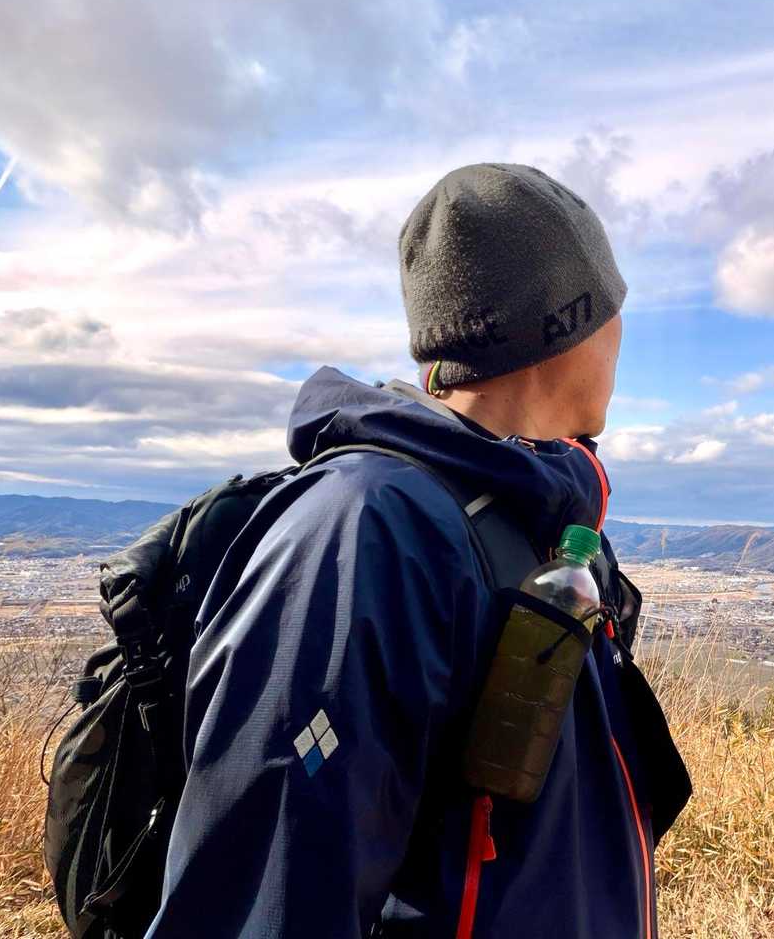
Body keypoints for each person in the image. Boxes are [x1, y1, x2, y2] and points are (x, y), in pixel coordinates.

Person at [145, 164, 690, 938]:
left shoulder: (538, 518)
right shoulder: (365, 530)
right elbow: (267, 900)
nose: (622, 333)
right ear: (564, 325)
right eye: (613, 306)